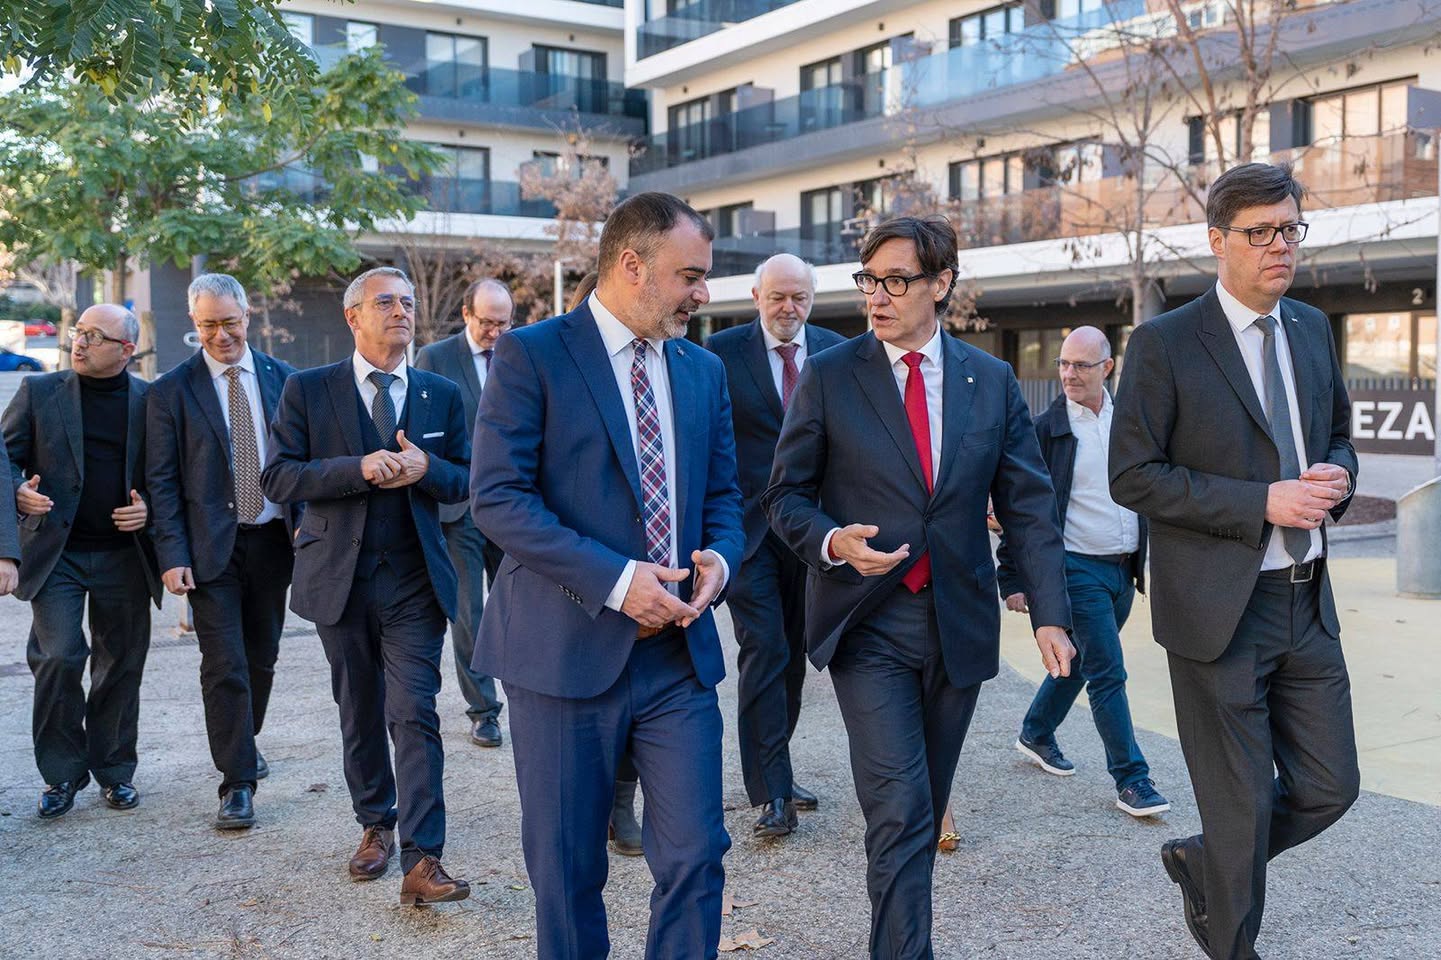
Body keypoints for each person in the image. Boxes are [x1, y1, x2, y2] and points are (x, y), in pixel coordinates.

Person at [763, 215, 1073, 960]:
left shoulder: (989, 380)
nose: (876, 295)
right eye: (868, 279)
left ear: (940, 284)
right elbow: (784, 498)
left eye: (896, 280)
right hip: (866, 624)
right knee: (899, 811)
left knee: (924, 808)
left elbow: (1029, 507)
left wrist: (1049, 615)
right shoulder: (831, 375)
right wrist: (833, 542)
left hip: (956, 625)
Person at [470, 192, 745, 958]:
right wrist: (621, 582)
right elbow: (496, 498)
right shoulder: (532, 353)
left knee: (696, 853)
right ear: (632, 265)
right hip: (561, 653)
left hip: (676, 660)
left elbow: (724, 496)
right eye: (689, 275)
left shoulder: (703, 372)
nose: (702, 292)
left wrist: (718, 560)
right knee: (566, 872)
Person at [1109, 162, 1360, 960]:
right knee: (1239, 807)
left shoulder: (1312, 327)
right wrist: (1259, 501)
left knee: (1330, 787)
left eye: (1289, 228)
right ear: (1216, 241)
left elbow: (1337, 437)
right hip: (1219, 613)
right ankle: (1231, 941)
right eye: (1259, 233)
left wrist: (1339, 474)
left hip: (1306, 601)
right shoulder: (1162, 344)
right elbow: (1132, 475)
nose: (1278, 246)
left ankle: (1200, 862)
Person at [260, 267, 472, 906]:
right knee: (359, 709)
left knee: (414, 710)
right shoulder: (308, 389)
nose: (401, 311)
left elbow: (467, 480)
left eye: (408, 302)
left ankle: (424, 857)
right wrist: (357, 467)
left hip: (414, 581)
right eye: (386, 302)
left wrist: (425, 467)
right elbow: (279, 478)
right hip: (339, 580)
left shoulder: (441, 394)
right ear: (353, 317)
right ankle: (375, 824)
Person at [996, 325, 1169, 818]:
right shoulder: (1044, 430)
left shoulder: (1131, 422)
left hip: (1123, 571)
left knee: (1077, 660)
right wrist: (1011, 577)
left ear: (1107, 369)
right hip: (1075, 568)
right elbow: (1020, 507)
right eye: (1064, 364)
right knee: (1108, 671)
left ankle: (1036, 730)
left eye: (1081, 365)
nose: (1069, 374)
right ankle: (1132, 780)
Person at [146, 273, 298, 829]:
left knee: (262, 657)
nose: (220, 335)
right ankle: (236, 782)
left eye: (229, 323)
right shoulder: (170, 391)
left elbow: (302, 465)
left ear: (248, 317)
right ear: (195, 324)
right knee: (224, 663)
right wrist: (171, 554)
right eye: (208, 325)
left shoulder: (286, 381)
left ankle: (244, 739)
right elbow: (161, 481)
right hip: (209, 550)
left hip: (273, 541)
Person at [703, 254, 845, 838]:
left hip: (812, 532)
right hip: (749, 531)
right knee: (763, 650)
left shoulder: (838, 352)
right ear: (757, 295)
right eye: (778, 297)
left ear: (812, 298)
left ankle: (772, 768)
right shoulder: (720, 353)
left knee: (793, 654)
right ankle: (774, 792)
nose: (789, 309)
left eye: (800, 299)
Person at [3, 304, 163, 819]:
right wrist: (16, 492)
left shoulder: (150, 400)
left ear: (126, 350)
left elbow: (170, 474)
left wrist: (149, 511)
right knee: (58, 657)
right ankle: (62, 775)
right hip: (57, 553)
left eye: (95, 336)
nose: (80, 342)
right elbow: (3, 456)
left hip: (124, 555)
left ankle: (115, 772)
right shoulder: (39, 392)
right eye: (79, 332)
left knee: (120, 663)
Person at [414, 278, 512, 748]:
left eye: (503, 322)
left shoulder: (517, 352)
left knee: (518, 603)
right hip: (460, 507)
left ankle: (526, 692)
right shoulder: (435, 358)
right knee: (468, 611)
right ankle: (484, 710)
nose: (495, 332)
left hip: (513, 503)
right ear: (467, 314)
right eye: (487, 322)